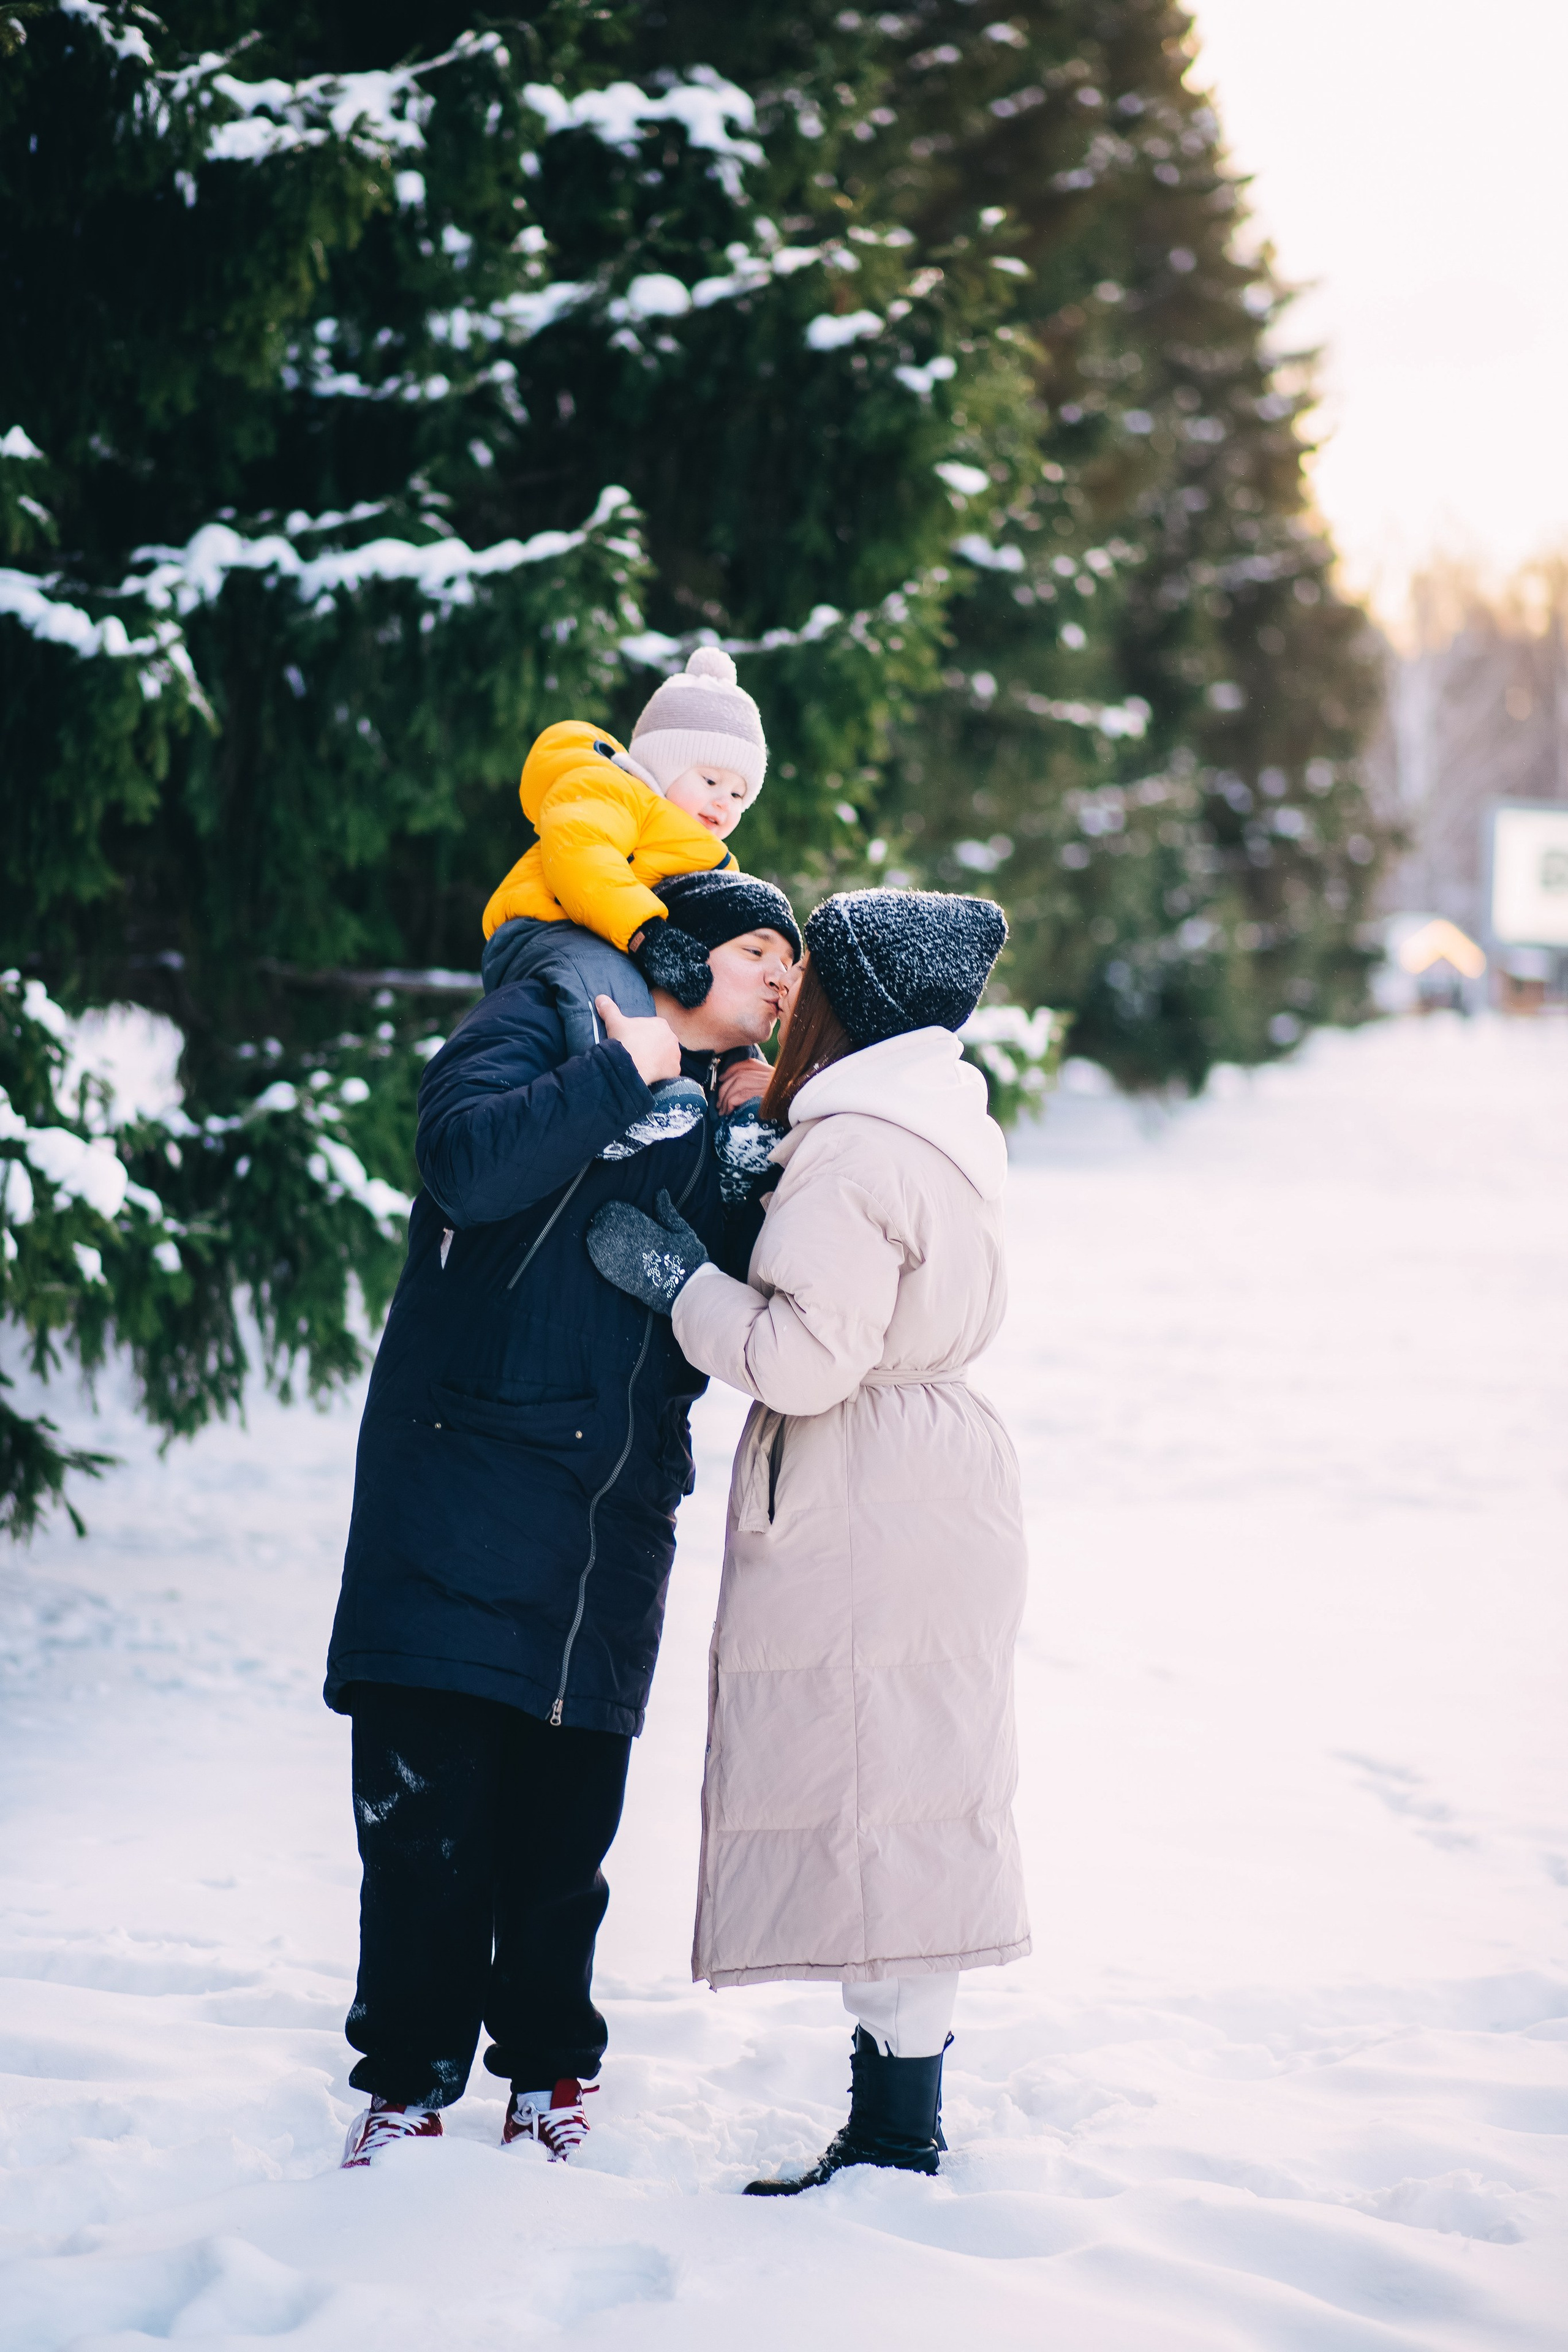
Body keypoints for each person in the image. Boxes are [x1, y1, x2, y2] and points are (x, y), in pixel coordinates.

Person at [326, 866, 801, 2169]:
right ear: (680, 953)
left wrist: (762, 1143)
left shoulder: (730, 1115)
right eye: (761, 950)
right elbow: (464, 1165)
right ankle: (409, 2087)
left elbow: (763, 1296)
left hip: (609, 1518)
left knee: (561, 1839)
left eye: (795, 967)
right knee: (427, 1821)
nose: (780, 979)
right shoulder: (548, 1013)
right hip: (459, 1480)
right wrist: (630, 1061)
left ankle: (549, 2074)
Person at [586, 888, 1030, 2194]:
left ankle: (893, 2133)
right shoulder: (936, 1128)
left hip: (868, 1494)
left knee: (878, 1801)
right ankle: (897, 2117)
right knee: (911, 1794)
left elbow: (796, 1357)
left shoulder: (853, 1152)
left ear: (854, 1000)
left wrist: (678, 1281)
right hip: (933, 1480)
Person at [480, 646, 774, 1062]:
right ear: (665, 763)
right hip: (548, 929)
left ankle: (746, 1099)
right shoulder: (615, 790)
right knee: (609, 989)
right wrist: (646, 934)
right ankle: (624, 1086)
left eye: (738, 794)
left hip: (624, 944)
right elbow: (581, 853)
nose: (724, 802)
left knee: (723, 1007)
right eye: (710, 780)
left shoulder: (711, 860)